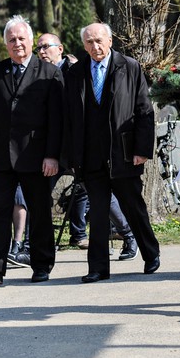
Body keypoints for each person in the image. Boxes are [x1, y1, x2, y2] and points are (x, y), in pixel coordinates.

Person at [0, 15, 63, 285]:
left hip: (36, 156)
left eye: (22, 38)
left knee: (39, 210)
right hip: (1, 158)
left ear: (31, 41)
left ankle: (41, 264)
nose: (17, 43)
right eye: (12, 40)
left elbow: (57, 120)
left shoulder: (49, 73)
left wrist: (52, 155)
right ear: (6, 44)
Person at [65, 23, 161, 283]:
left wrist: (142, 149)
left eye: (99, 41)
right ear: (83, 45)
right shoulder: (76, 72)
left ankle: (150, 252)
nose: (95, 47)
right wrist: (73, 156)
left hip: (123, 152)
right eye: (89, 42)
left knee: (133, 207)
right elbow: (70, 117)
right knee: (97, 211)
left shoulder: (129, 66)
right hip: (91, 155)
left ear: (109, 40)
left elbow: (144, 110)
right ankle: (98, 267)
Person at [36, 33, 138, 259]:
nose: (41, 52)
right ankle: (33, 244)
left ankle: (128, 235)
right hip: (53, 148)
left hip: (79, 147)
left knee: (99, 194)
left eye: (46, 47)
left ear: (60, 48)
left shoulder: (75, 70)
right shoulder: (39, 74)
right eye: (38, 48)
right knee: (39, 192)